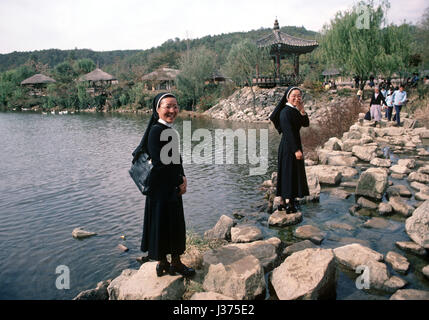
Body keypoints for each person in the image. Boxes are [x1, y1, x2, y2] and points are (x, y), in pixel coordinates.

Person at [131, 92, 195, 278]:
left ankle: (170, 263)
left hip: (169, 187)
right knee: (165, 224)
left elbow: (176, 160)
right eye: (167, 106)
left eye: (175, 106)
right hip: (161, 190)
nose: (172, 110)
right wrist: (178, 182)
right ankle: (166, 262)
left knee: (170, 224)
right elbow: (161, 163)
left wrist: (183, 176)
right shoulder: (156, 131)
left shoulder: (168, 130)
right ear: (157, 109)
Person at [269, 86, 310, 214]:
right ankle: (288, 203)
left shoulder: (294, 110)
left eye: (299, 96)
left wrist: (302, 110)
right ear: (288, 97)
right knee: (288, 172)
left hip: (292, 144)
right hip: (289, 146)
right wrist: (296, 150)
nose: (297, 98)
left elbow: (306, 124)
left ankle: (283, 201)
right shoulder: (285, 112)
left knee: (289, 172)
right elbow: (288, 132)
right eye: (294, 96)